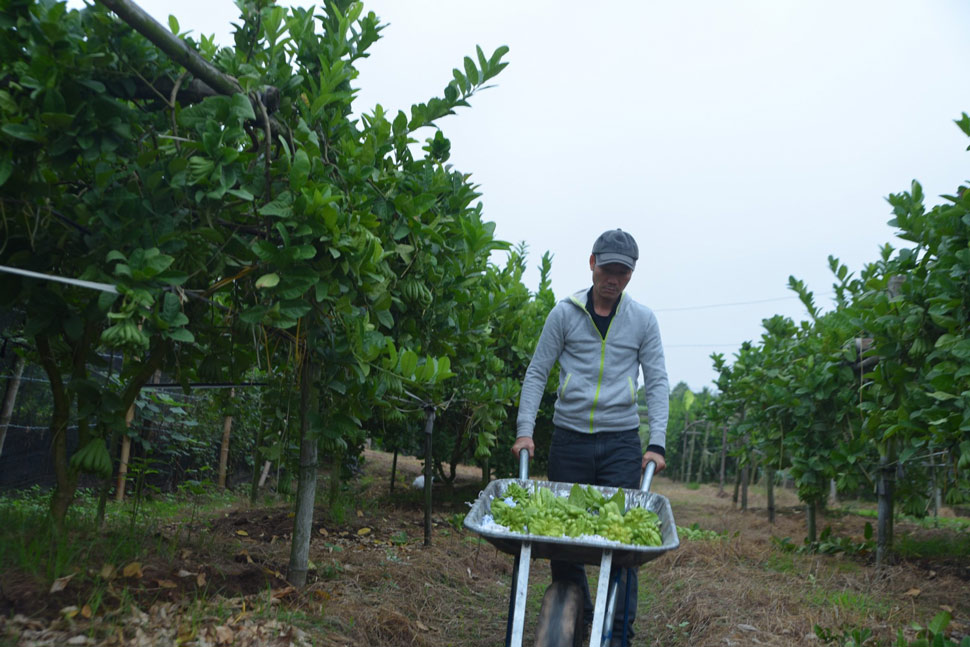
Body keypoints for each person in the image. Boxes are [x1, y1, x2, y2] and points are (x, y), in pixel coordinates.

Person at [511, 228, 669, 646]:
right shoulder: (564, 313)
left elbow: (656, 382)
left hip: (620, 443)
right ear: (592, 263)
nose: (612, 278)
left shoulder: (643, 320)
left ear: (631, 275)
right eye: (607, 268)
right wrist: (525, 432)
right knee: (563, 543)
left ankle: (618, 636)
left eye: (622, 271)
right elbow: (537, 372)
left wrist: (657, 443)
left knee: (622, 546)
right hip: (570, 439)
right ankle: (575, 614)